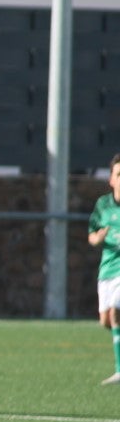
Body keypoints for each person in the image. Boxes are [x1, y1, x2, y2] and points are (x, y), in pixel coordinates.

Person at [88, 153, 120, 385]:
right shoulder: (103, 205)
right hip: (107, 269)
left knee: (115, 314)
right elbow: (91, 235)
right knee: (105, 321)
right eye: (119, 175)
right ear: (111, 179)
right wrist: (97, 239)